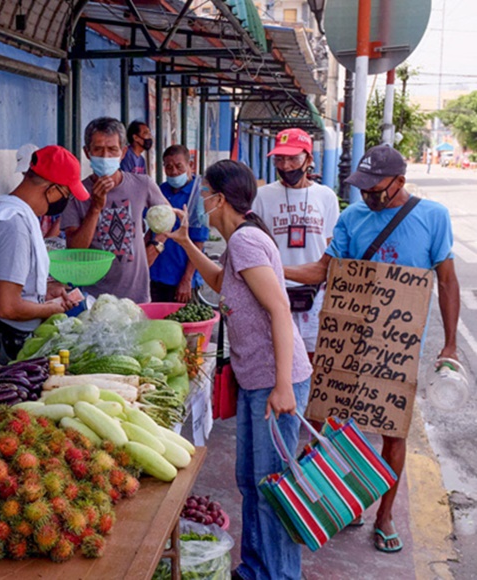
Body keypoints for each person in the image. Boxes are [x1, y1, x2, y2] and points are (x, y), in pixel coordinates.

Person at [285, 144, 460, 553]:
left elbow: (448, 281)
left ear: (399, 181)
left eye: (375, 187)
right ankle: (343, 500)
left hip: (397, 345)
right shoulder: (352, 217)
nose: (367, 194)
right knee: (328, 425)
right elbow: (322, 271)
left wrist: (450, 344)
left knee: (392, 432)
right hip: (345, 336)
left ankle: (384, 516)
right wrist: (272, 268)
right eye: (361, 187)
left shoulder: (433, 217)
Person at [166, 160, 312, 579]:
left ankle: (278, 575)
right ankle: (253, 569)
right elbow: (219, 282)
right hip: (257, 380)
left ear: (220, 198)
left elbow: (280, 309)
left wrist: (282, 385)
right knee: (252, 482)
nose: (201, 205)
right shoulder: (239, 242)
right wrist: (185, 243)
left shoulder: (247, 242)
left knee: (271, 489)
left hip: (273, 382)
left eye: (205, 195)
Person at [0, 145, 86, 385]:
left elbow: (12, 287)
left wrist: (45, 293)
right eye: (66, 195)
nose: (65, 202)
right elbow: (8, 307)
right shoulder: (13, 225)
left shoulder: (16, 214)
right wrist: (53, 308)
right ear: (52, 189)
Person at [253, 128, 339, 359]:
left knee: (312, 355)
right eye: (280, 159)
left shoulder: (326, 196)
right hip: (275, 289)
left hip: (315, 293)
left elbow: (330, 246)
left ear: (308, 159)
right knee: (277, 354)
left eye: (293, 158)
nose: (286, 166)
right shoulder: (262, 196)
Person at [61, 117, 168, 303]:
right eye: (98, 150)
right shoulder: (76, 194)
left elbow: (168, 218)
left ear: (123, 152)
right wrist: (95, 207)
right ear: (87, 153)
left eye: (112, 150)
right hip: (93, 298)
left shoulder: (143, 184)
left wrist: (155, 247)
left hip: (137, 294)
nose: (105, 156)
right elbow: (74, 250)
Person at [149, 145, 210, 303]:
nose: (174, 172)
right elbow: (150, 230)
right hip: (157, 273)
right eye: (168, 167)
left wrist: (187, 279)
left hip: (181, 277)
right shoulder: (160, 191)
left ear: (190, 165)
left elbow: (198, 242)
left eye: (179, 166)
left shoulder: (199, 195)